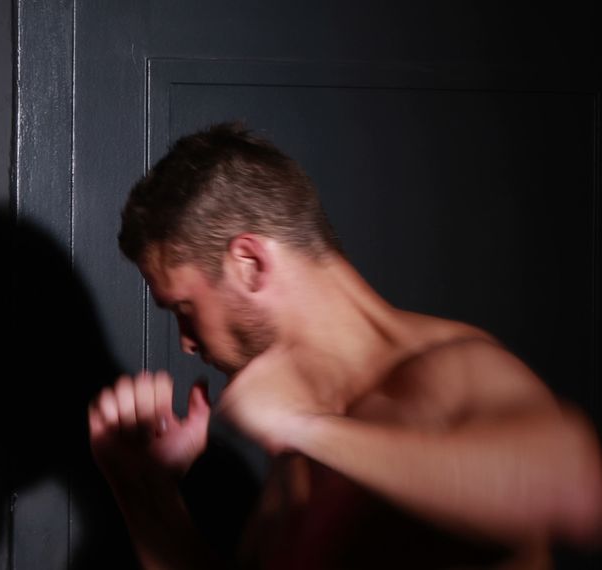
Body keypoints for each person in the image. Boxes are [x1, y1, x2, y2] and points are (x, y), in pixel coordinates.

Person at [87, 122, 602, 569]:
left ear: (249, 264)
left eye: (184, 309)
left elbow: (579, 491)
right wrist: (146, 495)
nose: (187, 343)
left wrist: (305, 429)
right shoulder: (294, 446)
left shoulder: (452, 368)